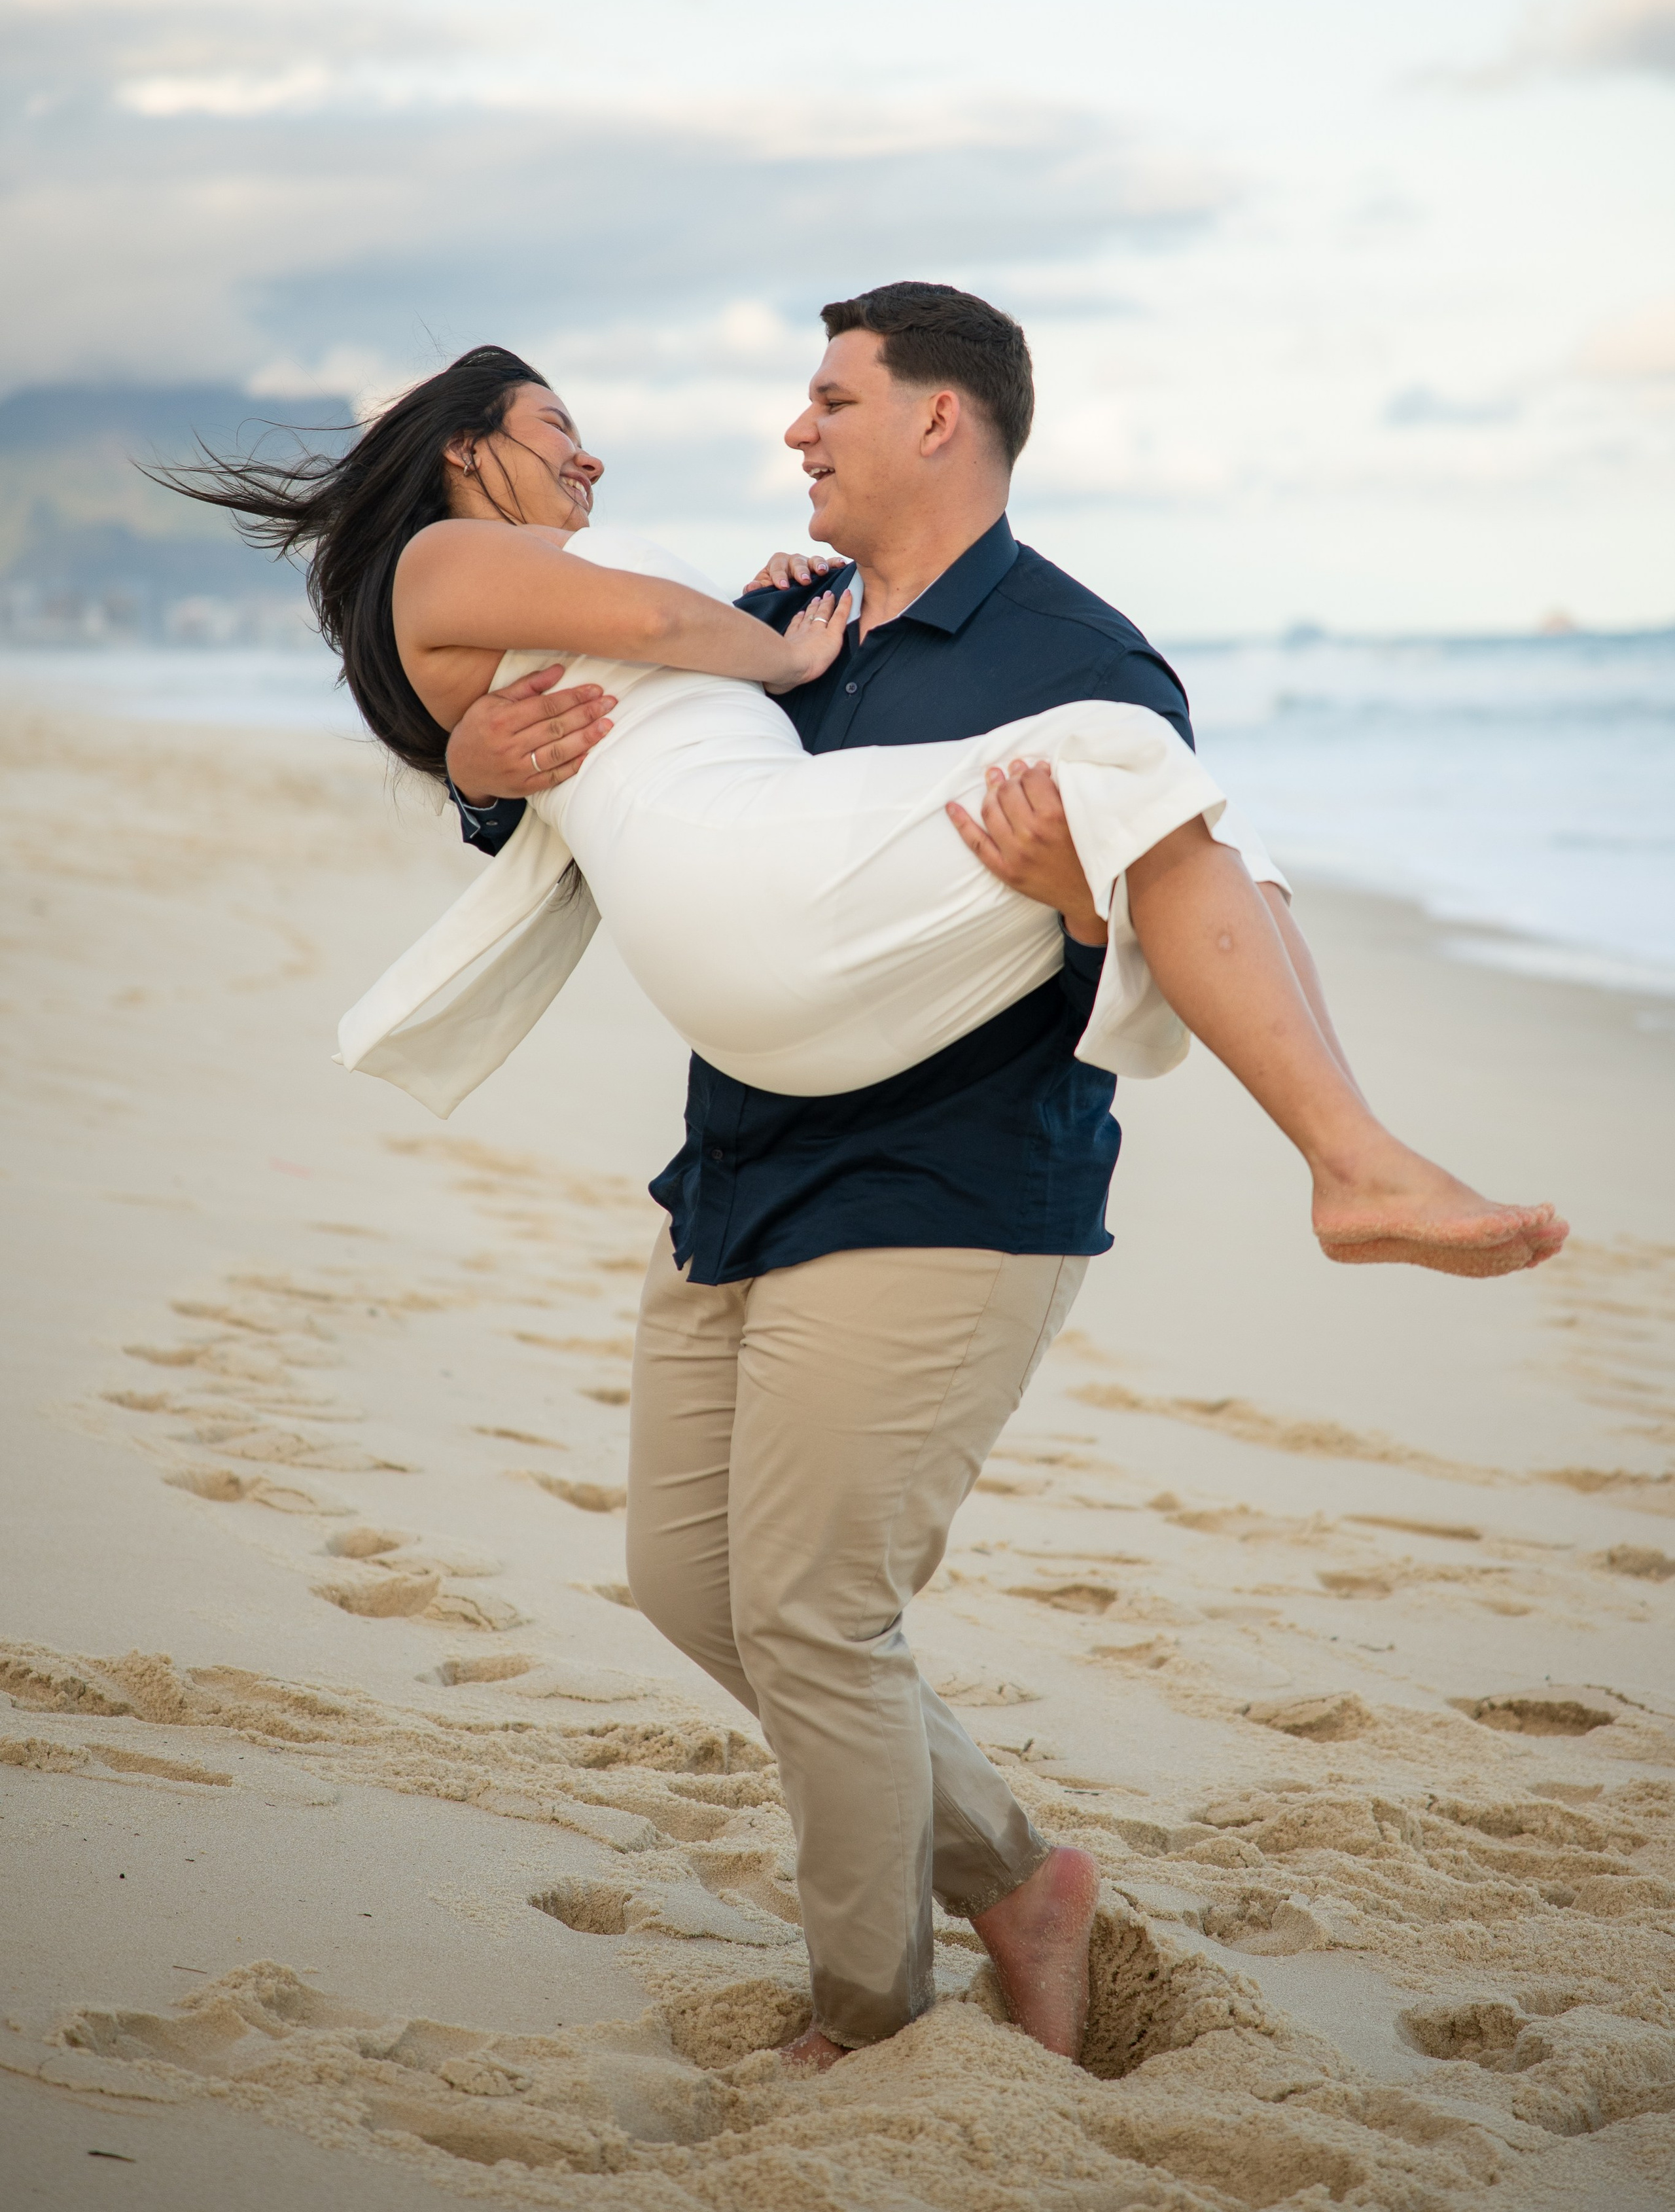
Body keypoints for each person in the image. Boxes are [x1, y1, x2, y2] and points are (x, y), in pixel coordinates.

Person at [162, 300, 1563, 2071]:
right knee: (694, 1584)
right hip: (748, 1157)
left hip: (945, 1180)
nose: (794, 431)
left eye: (831, 399)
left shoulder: (1078, 655)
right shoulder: (780, 620)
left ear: (942, 423)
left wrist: (1075, 898)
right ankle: (1025, 1880)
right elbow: (628, 779)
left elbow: (1121, 950)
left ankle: (867, 2024)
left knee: (818, 1611)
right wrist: (469, 771)